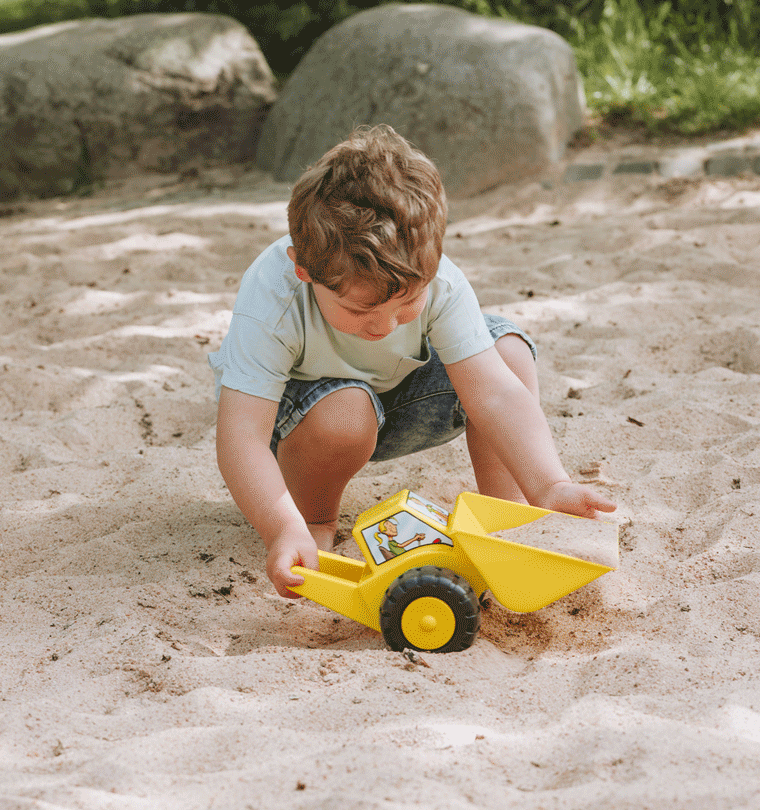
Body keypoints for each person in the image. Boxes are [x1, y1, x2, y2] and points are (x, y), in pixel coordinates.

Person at [210, 125, 615, 597]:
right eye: (361, 310)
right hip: (310, 427)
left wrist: (551, 484)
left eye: (406, 305)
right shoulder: (274, 293)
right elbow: (240, 437)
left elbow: (496, 393)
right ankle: (313, 518)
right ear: (304, 270)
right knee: (345, 410)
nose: (384, 326)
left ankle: (507, 513)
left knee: (506, 349)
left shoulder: (438, 279)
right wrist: (282, 528)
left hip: (399, 398)